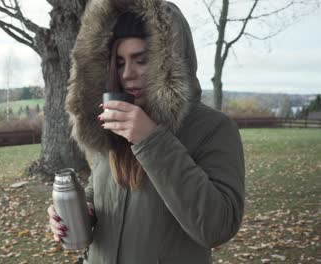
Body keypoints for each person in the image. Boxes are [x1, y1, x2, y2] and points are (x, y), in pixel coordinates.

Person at [48, 0, 245, 263]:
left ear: (171, 61)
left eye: (141, 60)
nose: (128, 74)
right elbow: (100, 197)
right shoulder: (114, 123)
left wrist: (150, 139)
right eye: (119, 62)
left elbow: (218, 226)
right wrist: (81, 213)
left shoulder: (213, 129)